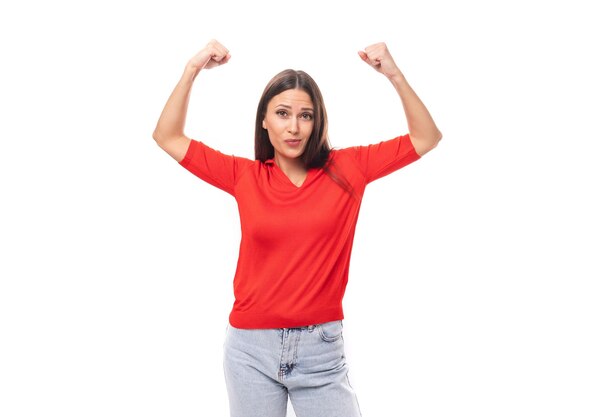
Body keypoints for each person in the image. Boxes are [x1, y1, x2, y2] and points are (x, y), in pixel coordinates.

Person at [152, 39, 442, 417]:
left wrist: (394, 75)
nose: (293, 127)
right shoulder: (245, 176)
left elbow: (426, 138)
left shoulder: (348, 169)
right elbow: (168, 137)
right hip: (249, 351)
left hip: (320, 349)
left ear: (317, 121)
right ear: (264, 119)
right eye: (283, 113)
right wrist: (192, 69)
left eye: (305, 116)